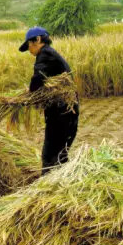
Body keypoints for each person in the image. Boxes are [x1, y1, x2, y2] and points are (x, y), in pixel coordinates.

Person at [19, 26, 79, 175]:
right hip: (66, 111)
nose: (29, 50)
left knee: (49, 156)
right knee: (60, 156)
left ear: (38, 40)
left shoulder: (45, 54)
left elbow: (37, 79)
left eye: (29, 45)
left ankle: (48, 185)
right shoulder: (51, 54)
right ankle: (61, 181)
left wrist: (29, 97)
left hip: (61, 113)